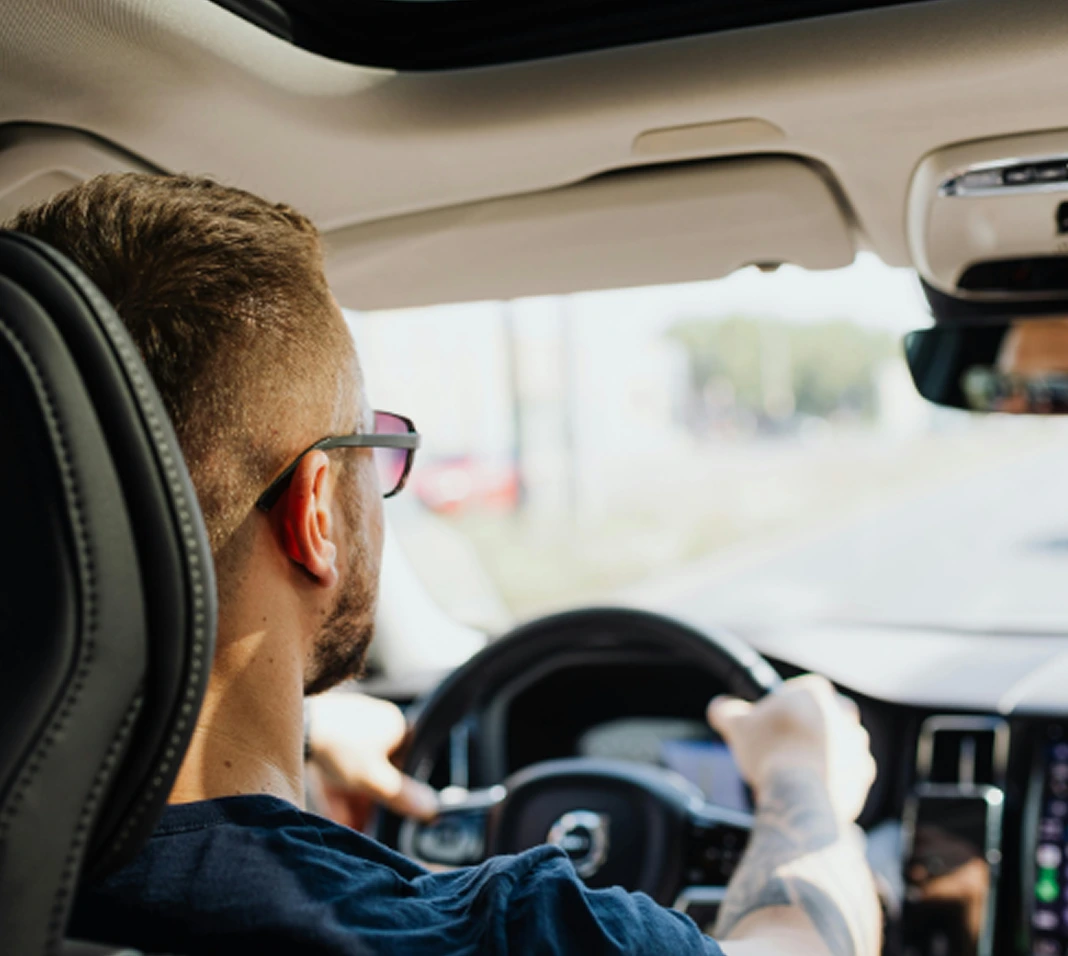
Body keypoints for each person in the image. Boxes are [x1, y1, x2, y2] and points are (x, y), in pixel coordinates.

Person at [10, 174, 881, 956]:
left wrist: (294, 753)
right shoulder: (508, 937)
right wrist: (805, 782)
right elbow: (807, 935)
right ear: (316, 512)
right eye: (375, 449)